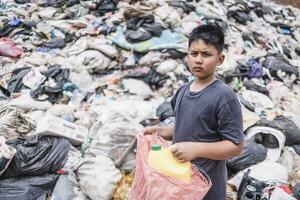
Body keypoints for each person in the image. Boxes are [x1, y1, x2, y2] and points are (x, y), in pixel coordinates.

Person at [143, 24, 244, 200]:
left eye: (206, 55)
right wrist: (161, 131)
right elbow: (187, 127)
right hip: (180, 179)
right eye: (193, 53)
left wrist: (196, 149)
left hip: (207, 186)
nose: (198, 60)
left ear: (220, 60)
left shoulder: (224, 97)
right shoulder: (183, 91)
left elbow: (235, 146)